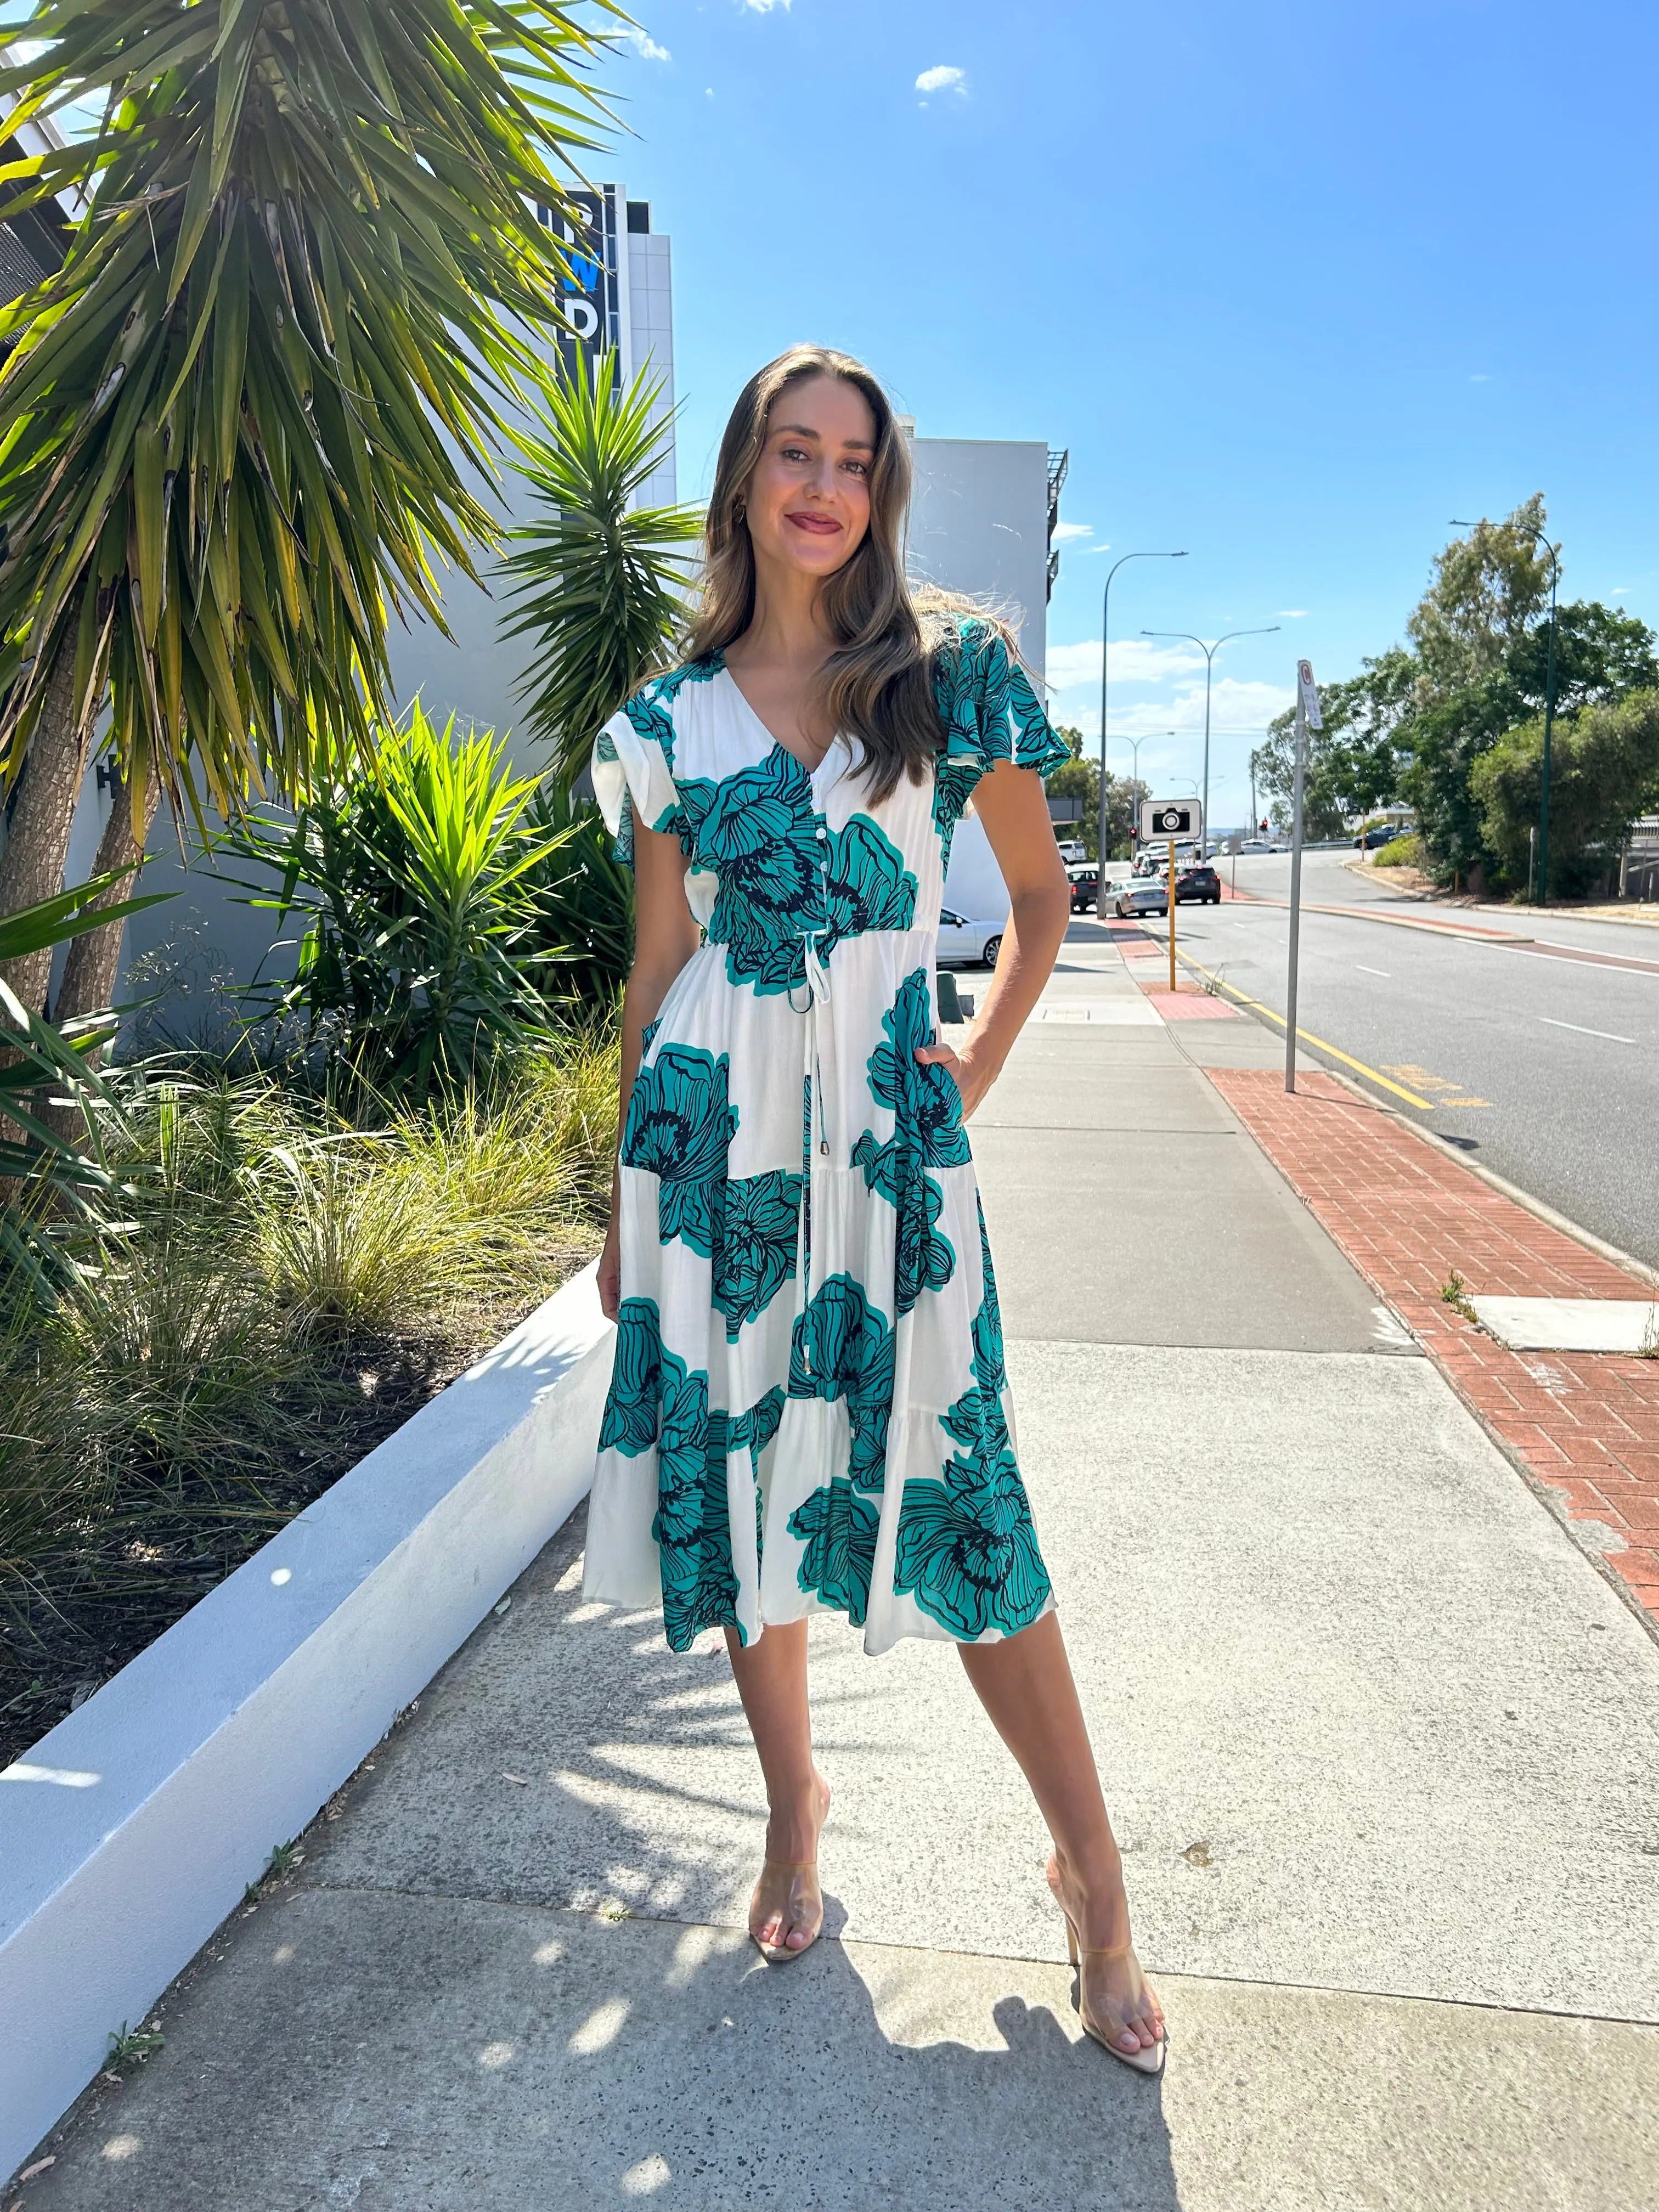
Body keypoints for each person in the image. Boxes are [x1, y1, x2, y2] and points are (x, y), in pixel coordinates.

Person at [584, 344, 1166, 2073]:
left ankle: (1096, 1876)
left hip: (893, 1166)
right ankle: (794, 1814)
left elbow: (1043, 903)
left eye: (854, 460)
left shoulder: (950, 674)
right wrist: (624, 1198)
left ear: (881, 491)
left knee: (969, 1501)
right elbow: (655, 973)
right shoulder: (666, 721)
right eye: (794, 452)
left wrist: (967, 1078)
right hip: (714, 1158)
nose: (824, 486)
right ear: (748, 479)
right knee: (754, 1487)